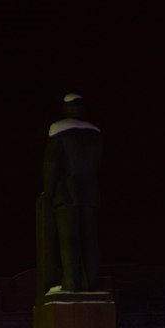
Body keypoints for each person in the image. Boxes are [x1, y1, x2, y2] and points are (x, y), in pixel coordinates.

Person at [40, 93, 103, 293]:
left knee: (69, 239)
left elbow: (51, 163)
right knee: (90, 241)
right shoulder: (95, 132)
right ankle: (92, 283)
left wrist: (48, 193)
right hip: (91, 193)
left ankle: (70, 283)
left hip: (66, 194)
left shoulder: (59, 130)